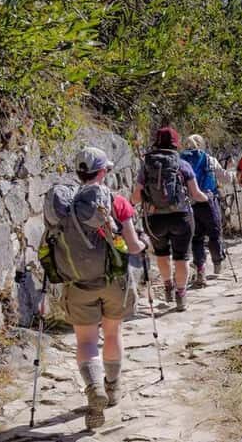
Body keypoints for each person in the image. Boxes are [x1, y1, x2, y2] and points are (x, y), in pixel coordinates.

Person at [61, 147, 147, 430]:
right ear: (102, 172)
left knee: (86, 340)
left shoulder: (64, 204)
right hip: (114, 281)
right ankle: (112, 386)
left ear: (79, 173)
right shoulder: (117, 202)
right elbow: (132, 246)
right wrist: (143, 244)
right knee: (112, 332)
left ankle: (94, 387)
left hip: (78, 281)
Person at [131, 127, 209, 312]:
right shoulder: (182, 165)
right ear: (176, 143)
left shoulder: (146, 166)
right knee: (182, 257)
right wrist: (208, 198)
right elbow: (195, 194)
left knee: (162, 254)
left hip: (154, 219)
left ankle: (168, 286)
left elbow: (136, 197)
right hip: (181, 217)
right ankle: (181, 295)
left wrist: (131, 203)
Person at [180, 134, 224, 287]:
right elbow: (224, 177)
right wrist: (232, 177)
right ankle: (217, 263)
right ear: (201, 144)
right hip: (207, 200)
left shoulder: (180, 161)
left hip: (189, 203)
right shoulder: (209, 159)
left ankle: (201, 271)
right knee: (214, 234)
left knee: (196, 238)